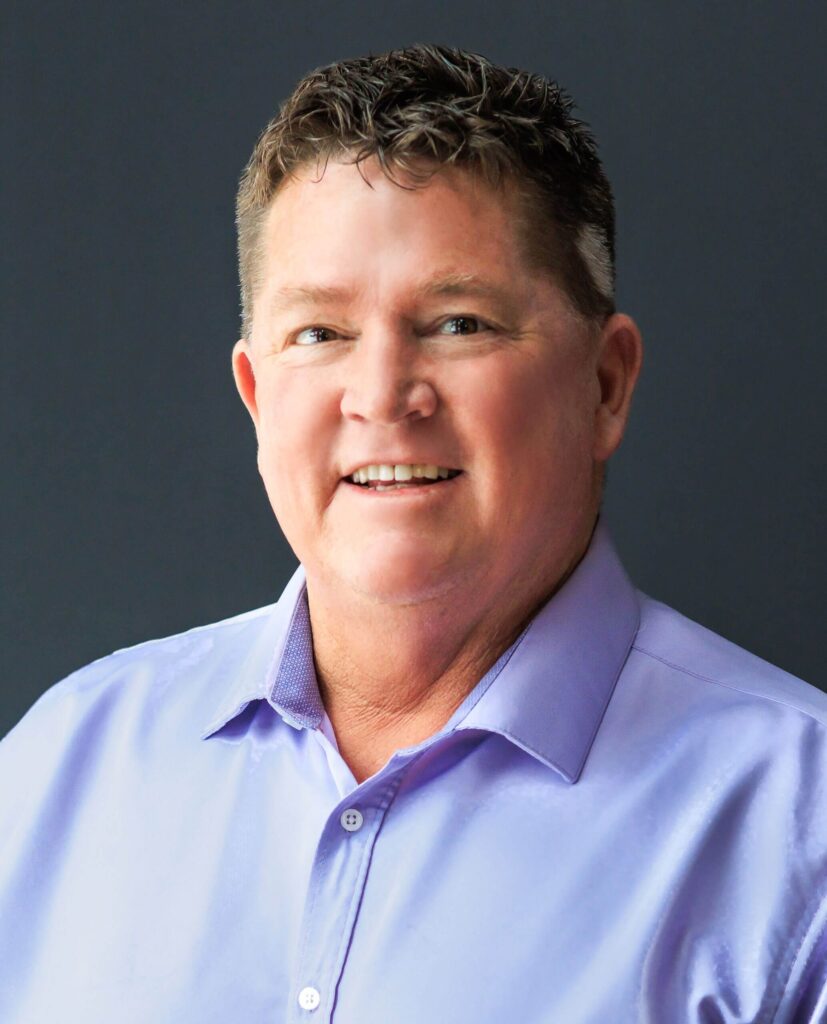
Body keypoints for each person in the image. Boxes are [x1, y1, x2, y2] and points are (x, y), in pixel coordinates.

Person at [1, 43, 825, 1024]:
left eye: (459, 321)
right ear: (256, 395)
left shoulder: (796, 833)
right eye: (320, 333)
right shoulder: (58, 767)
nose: (383, 394)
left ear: (603, 384)